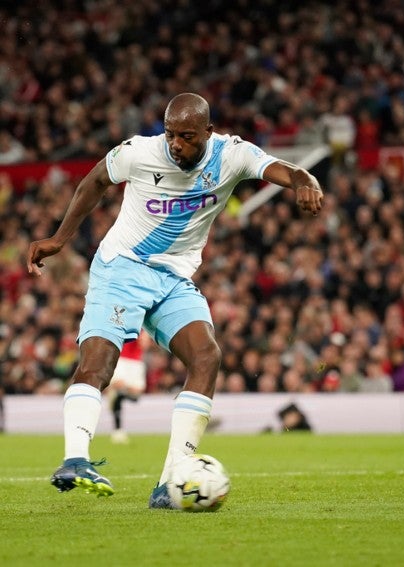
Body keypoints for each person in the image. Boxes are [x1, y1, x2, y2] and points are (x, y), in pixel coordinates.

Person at [27, 92, 323, 507]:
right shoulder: (139, 152)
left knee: (207, 357)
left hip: (173, 278)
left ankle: (170, 483)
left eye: (186, 136)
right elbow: (94, 181)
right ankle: (75, 459)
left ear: (208, 132)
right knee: (98, 364)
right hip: (122, 268)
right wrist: (60, 238)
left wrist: (305, 180)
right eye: (170, 135)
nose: (176, 145)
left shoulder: (231, 155)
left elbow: (282, 169)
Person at [105, 330, 152, 444]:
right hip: (123, 360)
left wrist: (145, 338)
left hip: (136, 363)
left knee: (135, 396)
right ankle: (117, 431)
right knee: (118, 387)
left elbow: (144, 346)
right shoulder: (125, 322)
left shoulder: (145, 327)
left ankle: (117, 395)